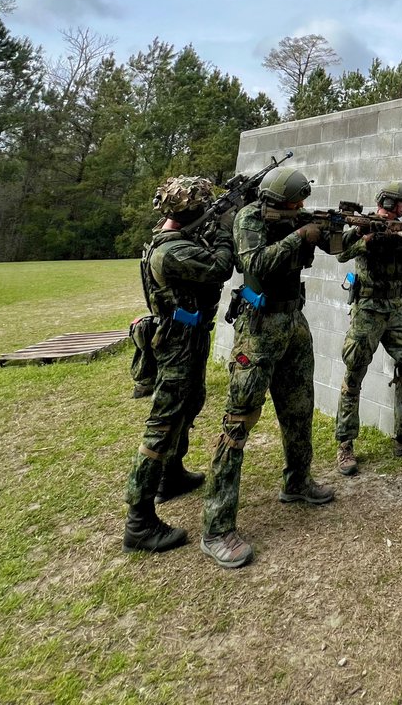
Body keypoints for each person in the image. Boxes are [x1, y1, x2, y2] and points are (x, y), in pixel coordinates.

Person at [200, 165, 335, 570]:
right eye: (297, 203)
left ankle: (297, 482)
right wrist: (300, 235)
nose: (302, 208)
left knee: (299, 408)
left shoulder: (296, 217)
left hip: (294, 321)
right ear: (279, 202)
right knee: (238, 422)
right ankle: (217, 527)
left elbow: (334, 249)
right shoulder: (249, 218)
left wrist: (338, 231)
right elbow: (255, 262)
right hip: (258, 329)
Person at [123, 176, 235, 554]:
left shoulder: (173, 237)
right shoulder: (170, 250)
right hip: (176, 340)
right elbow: (220, 267)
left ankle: (170, 476)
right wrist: (223, 230)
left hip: (187, 335)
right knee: (164, 420)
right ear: (193, 211)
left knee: (191, 402)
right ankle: (139, 521)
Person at [335, 181, 402, 477]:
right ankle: (345, 445)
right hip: (367, 310)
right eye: (401, 202)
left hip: (395, 310)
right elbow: (341, 254)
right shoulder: (365, 224)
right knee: (354, 373)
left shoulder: (401, 231)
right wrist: (366, 240)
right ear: (389, 202)